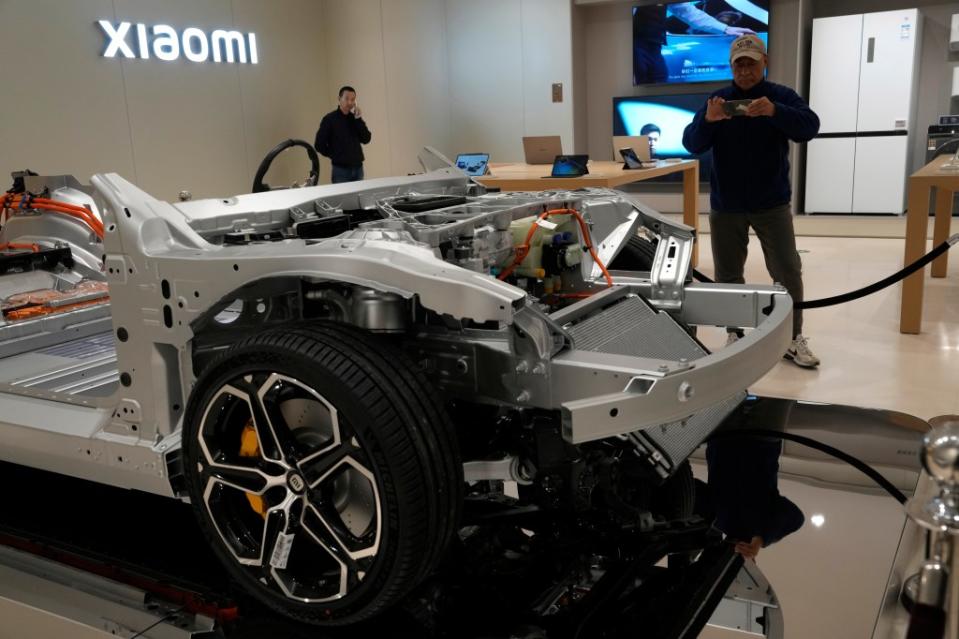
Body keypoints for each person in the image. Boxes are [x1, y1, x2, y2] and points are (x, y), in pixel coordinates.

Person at [682, 34, 821, 368]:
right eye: (739, 64)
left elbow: (809, 127)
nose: (745, 71)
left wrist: (775, 111)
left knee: (787, 269)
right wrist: (708, 120)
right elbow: (691, 143)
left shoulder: (781, 96)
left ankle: (792, 337)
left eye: (751, 63)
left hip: (772, 203)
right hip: (726, 204)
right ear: (732, 67)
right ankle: (734, 333)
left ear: (764, 62)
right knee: (728, 274)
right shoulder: (717, 100)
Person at [633, 2, 755, 84]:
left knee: (658, 85)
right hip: (634, 45)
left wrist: (725, 28)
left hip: (654, 46)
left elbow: (686, 11)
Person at [314, 86, 372, 184]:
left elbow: (366, 139)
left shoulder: (355, 119)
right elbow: (319, 145)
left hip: (358, 168)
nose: (350, 102)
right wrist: (334, 154)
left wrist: (358, 119)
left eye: (352, 99)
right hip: (340, 171)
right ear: (339, 99)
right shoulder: (329, 119)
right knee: (343, 199)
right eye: (346, 98)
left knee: (358, 198)